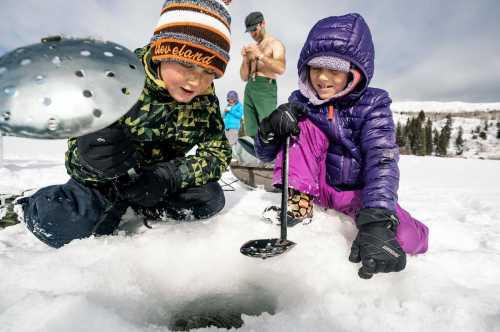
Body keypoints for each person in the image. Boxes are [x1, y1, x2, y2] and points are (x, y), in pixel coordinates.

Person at [18, 0, 233, 248]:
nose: (196, 81)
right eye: (187, 64)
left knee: (210, 198)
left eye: (209, 72)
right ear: (161, 52)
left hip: (155, 184)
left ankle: (141, 209)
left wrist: (168, 177)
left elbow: (218, 152)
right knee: (58, 222)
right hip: (104, 183)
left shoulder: (205, 99)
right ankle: (31, 204)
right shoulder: (118, 77)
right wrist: (92, 157)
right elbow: (76, 160)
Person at [254, 13, 429, 279]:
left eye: (334, 70)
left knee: (407, 239)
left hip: (356, 195)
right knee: (303, 124)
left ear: (354, 72)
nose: (322, 78)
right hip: (315, 187)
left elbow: (381, 159)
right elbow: (266, 153)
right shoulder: (300, 102)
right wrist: (270, 130)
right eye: (315, 68)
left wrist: (378, 219)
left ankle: (406, 228)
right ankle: (298, 202)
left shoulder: (373, 105)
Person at [239, 11, 286, 138]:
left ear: (263, 23)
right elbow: (243, 77)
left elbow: (281, 69)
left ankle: (274, 152)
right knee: (250, 129)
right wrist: (244, 58)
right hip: (250, 87)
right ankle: (259, 152)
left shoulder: (275, 44)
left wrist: (260, 55)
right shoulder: (253, 47)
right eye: (250, 31)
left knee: (268, 126)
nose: (252, 34)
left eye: (254, 29)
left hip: (265, 87)